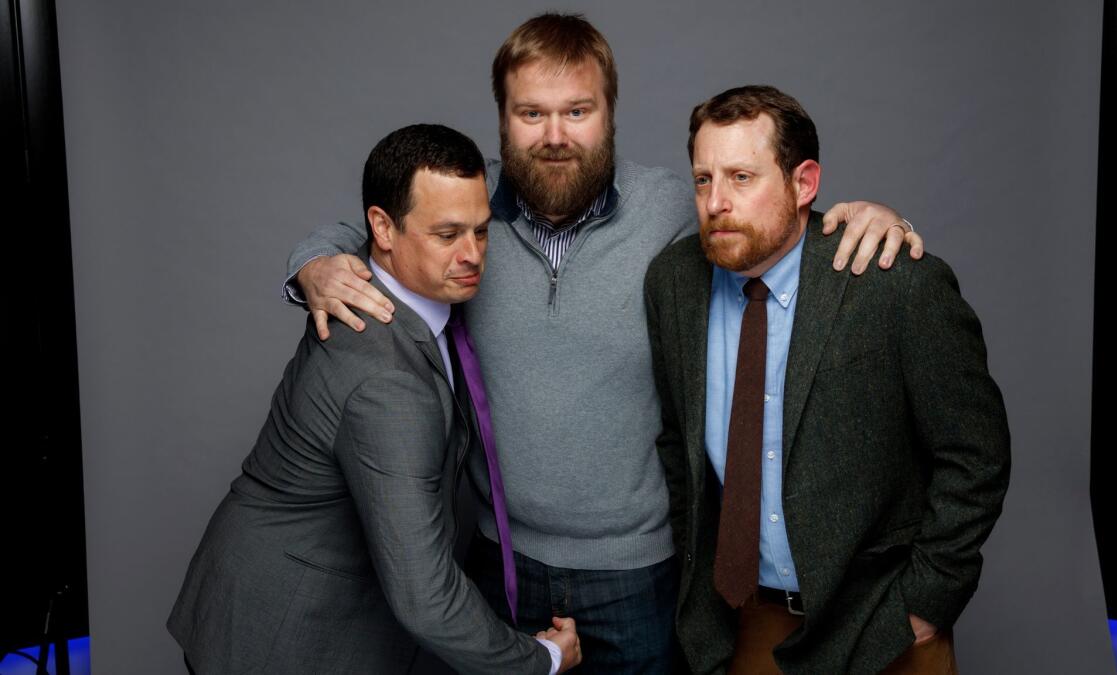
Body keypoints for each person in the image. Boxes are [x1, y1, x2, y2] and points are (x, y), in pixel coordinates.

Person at [284, 14, 924, 672]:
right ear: (502, 120)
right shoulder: (467, 219)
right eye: (531, 112)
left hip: (639, 577)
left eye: (577, 110)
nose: (555, 135)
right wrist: (312, 264)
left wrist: (872, 218)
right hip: (496, 561)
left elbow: (771, 228)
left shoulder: (675, 212)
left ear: (610, 112)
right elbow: (371, 226)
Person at [168, 124, 580, 675]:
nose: (472, 255)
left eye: (481, 232)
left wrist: (314, 262)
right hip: (280, 634)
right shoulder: (387, 383)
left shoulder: (386, 287)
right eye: (447, 234)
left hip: (287, 596)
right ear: (383, 228)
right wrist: (542, 659)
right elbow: (426, 598)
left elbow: (347, 235)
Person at [643, 85, 1011, 674]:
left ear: (804, 184)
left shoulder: (892, 283)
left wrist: (926, 600)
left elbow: (976, 453)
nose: (716, 202)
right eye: (703, 179)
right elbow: (675, 446)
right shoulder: (674, 284)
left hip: (880, 624)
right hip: (746, 620)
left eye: (742, 177)